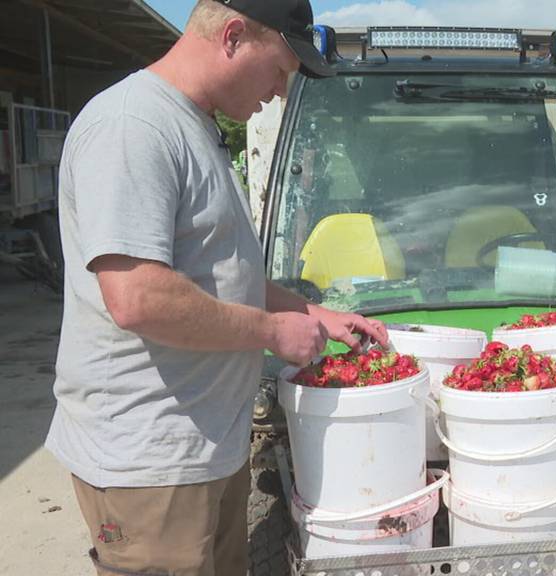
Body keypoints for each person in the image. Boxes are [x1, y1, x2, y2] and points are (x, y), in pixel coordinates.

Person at [45, 1, 388, 575]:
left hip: (204, 450)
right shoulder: (133, 125)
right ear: (232, 36)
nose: (279, 91)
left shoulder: (194, 125)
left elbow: (220, 272)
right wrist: (273, 331)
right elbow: (137, 297)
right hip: (150, 463)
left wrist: (311, 311)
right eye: (279, 69)